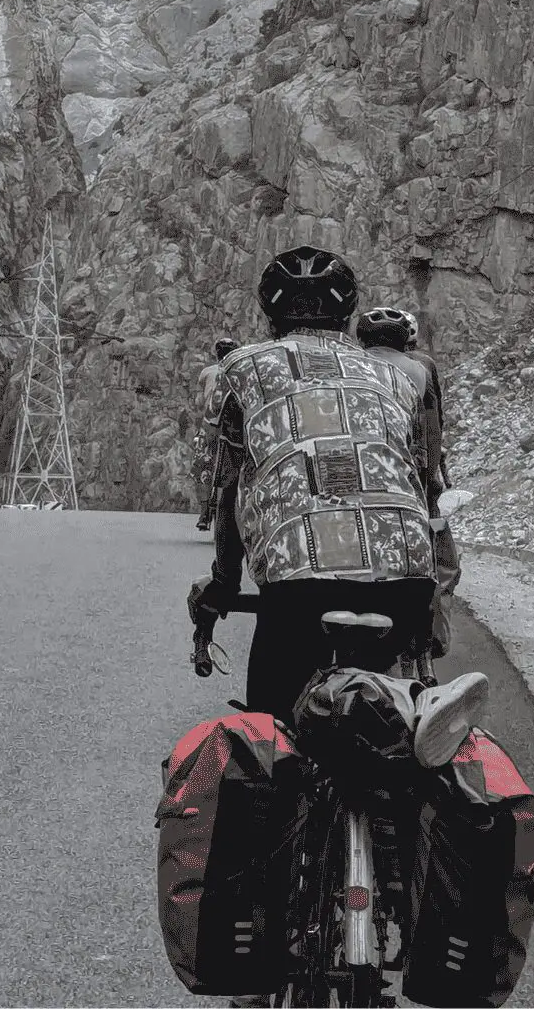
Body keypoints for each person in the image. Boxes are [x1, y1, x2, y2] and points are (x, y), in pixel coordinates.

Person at [190, 248, 438, 724]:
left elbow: (228, 489)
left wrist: (224, 583)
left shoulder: (239, 368)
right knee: (390, 722)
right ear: (349, 315)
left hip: (299, 586)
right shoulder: (396, 375)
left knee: (270, 729)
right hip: (408, 580)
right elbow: (413, 472)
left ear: (269, 314)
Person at [356, 306, 462, 655]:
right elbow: (434, 428)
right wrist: (434, 479)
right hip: (410, 483)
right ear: (408, 340)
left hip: (353, 482)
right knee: (442, 560)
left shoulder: (346, 366)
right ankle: (433, 640)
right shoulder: (422, 367)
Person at [192, 338, 238, 531]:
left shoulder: (207, 372)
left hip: (210, 426)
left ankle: (204, 513)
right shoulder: (241, 371)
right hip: (234, 430)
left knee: (201, 466)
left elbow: (198, 403)